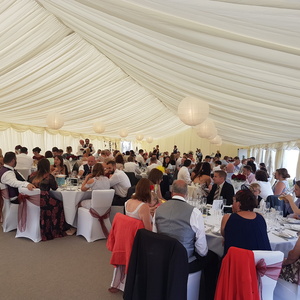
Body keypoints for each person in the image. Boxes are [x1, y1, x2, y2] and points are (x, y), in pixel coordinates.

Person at [108, 178, 152, 294]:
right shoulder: (144, 207)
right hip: (137, 241)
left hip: (124, 239)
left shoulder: (127, 202)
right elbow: (148, 230)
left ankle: (117, 282)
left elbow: (130, 220)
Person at [153, 180, 208, 269]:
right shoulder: (194, 212)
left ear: (172, 192)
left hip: (161, 257)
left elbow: (154, 234)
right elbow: (202, 249)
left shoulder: (159, 209)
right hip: (183, 260)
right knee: (209, 258)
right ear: (186, 193)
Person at [28, 159, 72, 240]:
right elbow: (55, 187)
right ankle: (59, 227)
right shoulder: (48, 176)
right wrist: (53, 177)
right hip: (44, 201)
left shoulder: (31, 175)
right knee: (60, 203)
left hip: (33, 200)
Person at [221, 189, 271, 256]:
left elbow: (225, 235)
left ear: (238, 204)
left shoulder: (227, 218)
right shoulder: (260, 217)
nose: (232, 204)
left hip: (235, 262)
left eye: (234, 201)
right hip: (260, 262)